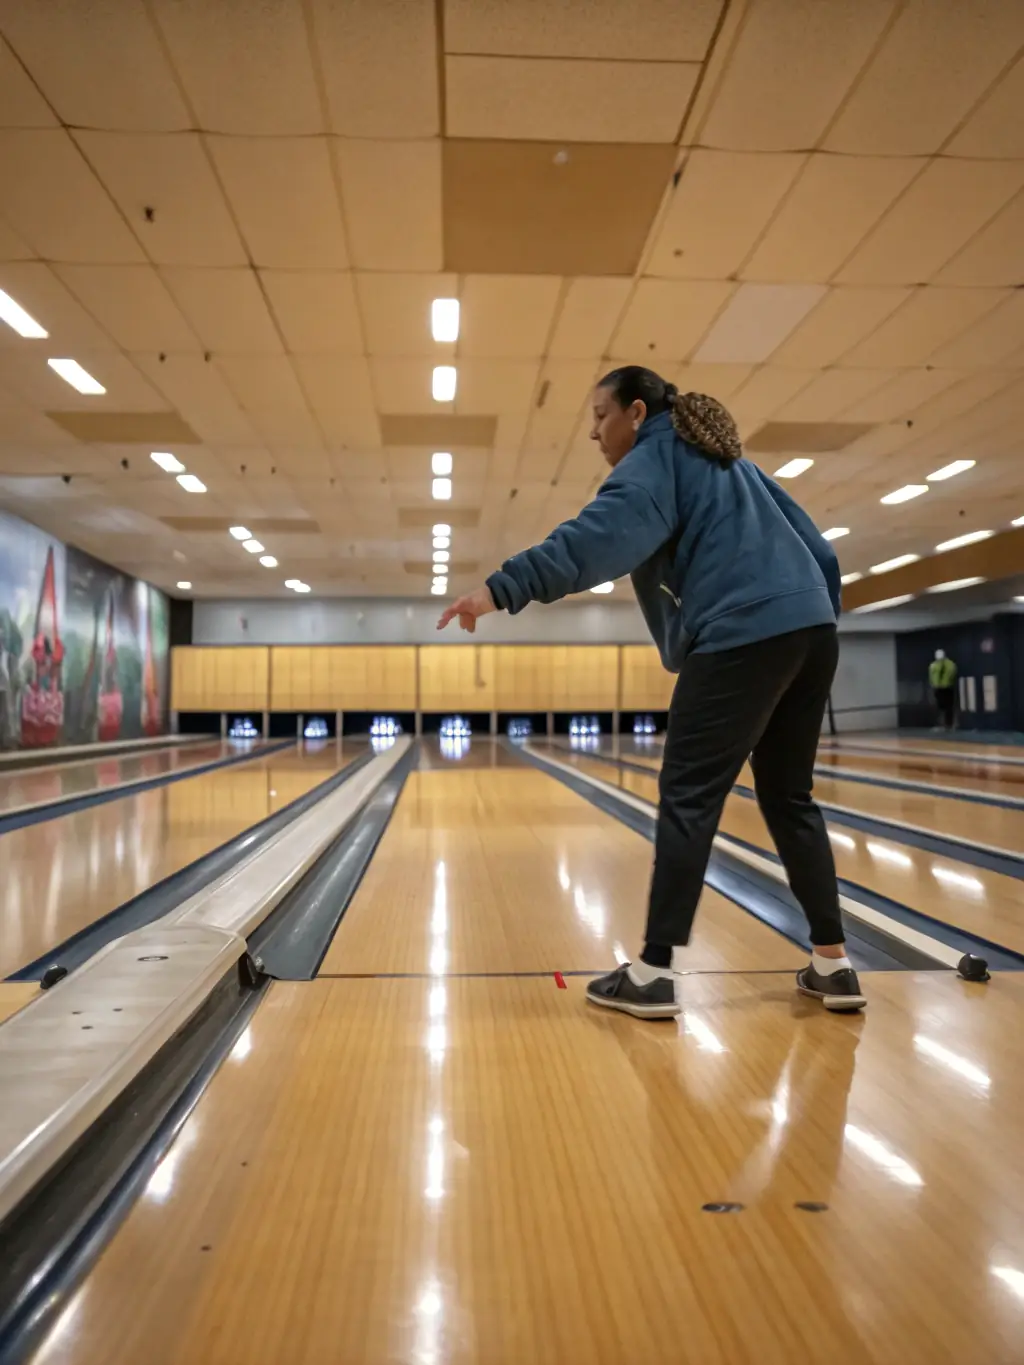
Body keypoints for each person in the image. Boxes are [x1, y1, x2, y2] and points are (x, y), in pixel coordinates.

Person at [437, 365, 865, 1020]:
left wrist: (499, 589)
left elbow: (592, 542)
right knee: (789, 796)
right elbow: (817, 548)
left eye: (600, 415)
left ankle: (653, 973)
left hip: (740, 634)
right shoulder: (733, 465)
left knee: (688, 795)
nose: (593, 432)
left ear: (637, 413)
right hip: (811, 631)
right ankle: (833, 965)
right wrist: (810, 621)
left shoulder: (656, 456)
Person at [928, 649, 957, 731]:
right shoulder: (936, 665)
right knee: (942, 707)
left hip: (945, 687)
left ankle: (947, 724)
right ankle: (944, 724)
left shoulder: (936, 665)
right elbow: (932, 676)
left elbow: (951, 674)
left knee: (946, 707)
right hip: (942, 687)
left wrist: (936, 684)